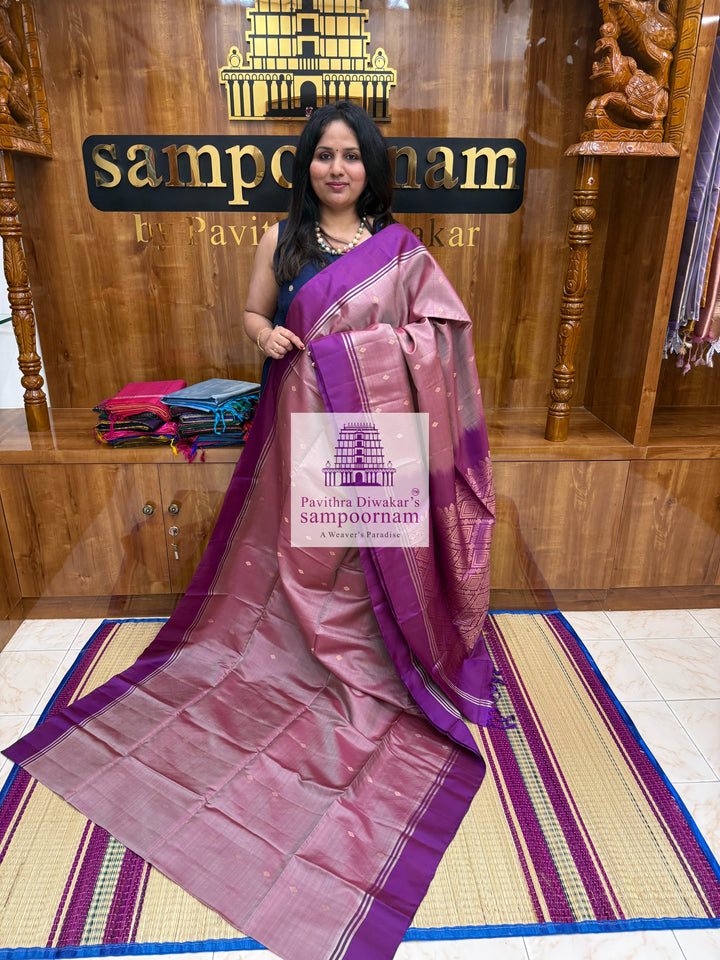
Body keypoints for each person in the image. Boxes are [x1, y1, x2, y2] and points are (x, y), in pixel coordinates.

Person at [5, 103, 497, 960]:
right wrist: (266, 333)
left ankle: (379, 657)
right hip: (305, 419)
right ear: (306, 165)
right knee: (310, 557)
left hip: (378, 427)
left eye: (350, 157)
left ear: (371, 167)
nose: (335, 169)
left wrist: (375, 354)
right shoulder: (283, 239)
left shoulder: (404, 251)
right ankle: (311, 653)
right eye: (323, 156)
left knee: (370, 558)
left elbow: (443, 337)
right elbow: (251, 316)